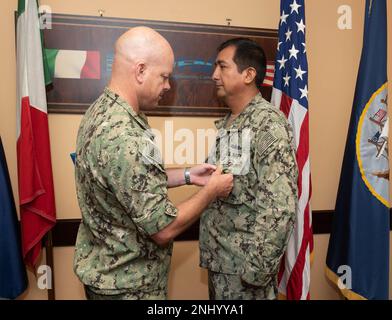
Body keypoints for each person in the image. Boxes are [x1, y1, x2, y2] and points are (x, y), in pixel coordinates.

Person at [73, 26, 233, 300]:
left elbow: (130, 181)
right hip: (128, 288)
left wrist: (186, 175)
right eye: (164, 77)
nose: (168, 85)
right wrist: (211, 191)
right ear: (140, 71)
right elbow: (163, 229)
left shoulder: (103, 110)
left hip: (110, 276)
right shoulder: (123, 134)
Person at [199, 38, 298, 300]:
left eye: (222, 67)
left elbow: (279, 206)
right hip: (221, 264)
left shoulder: (267, 124)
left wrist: (255, 273)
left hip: (245, 272)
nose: (214, 75)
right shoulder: (232, 122)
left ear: (248, 74)